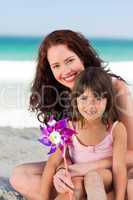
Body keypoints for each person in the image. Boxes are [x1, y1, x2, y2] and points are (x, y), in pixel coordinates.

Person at [9, 29, 133, 200]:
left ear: (82, 56)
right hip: (77, 171)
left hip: (114, 170)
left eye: (69, 60)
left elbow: (131, 154)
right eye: (56, 66)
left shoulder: (115, 88)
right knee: (20, 176)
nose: (65, 70)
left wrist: (84, 168)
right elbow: (64, 153)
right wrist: (61, 171)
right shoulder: (56, 95)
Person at [45, 67, 127, 200]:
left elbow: (119, 168)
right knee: (73, 188)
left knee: (93, 178)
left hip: (104, 176)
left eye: (98, 98)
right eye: (84, 98)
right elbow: (52, 164)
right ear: (75, 100)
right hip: (77, 177)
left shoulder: (116, 129)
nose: (90, 105)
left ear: (108, 100)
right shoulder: (68, 128)